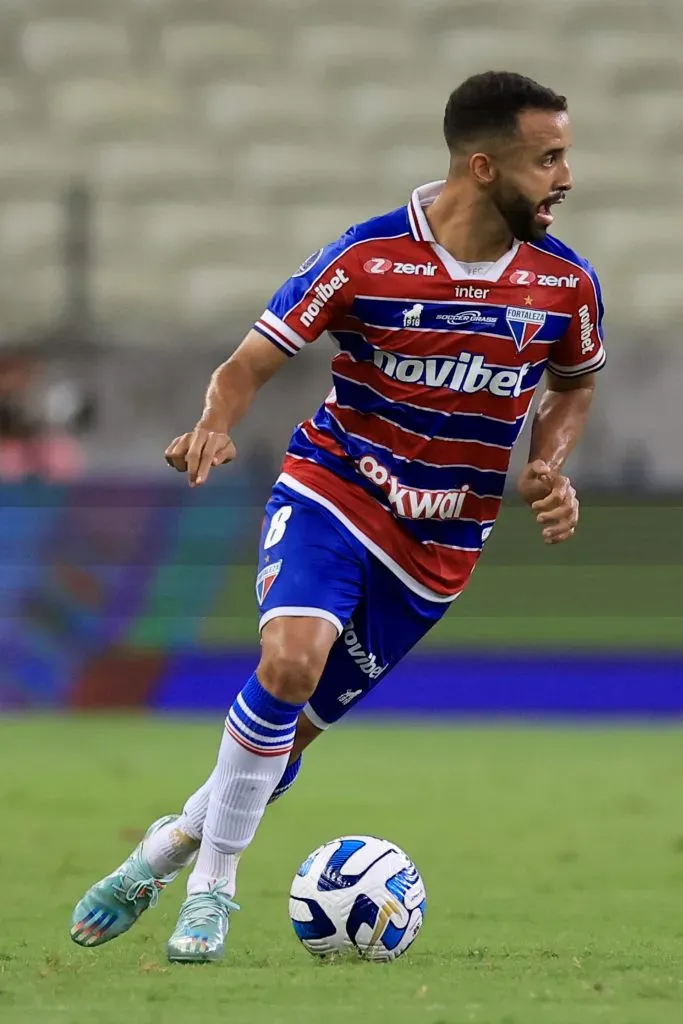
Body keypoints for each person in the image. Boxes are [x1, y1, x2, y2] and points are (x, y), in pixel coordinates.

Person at [70, 70, 605, 962]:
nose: (565, 178)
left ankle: (159, 853)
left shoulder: (564, 285)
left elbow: (574, 384)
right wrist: (211, 424)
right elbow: (246, 364)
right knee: (288, 663)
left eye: (565, 157)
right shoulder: (365, 259)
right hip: (335, 492)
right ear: (483, 167)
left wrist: (547, 464)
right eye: (547, 158)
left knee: (286, 736)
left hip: (439, 546)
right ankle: (214, 892)